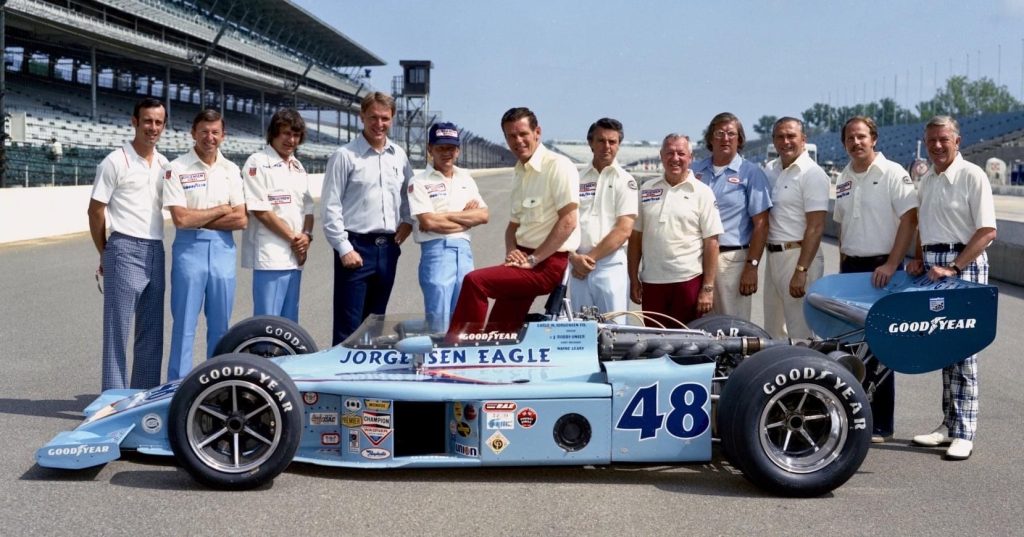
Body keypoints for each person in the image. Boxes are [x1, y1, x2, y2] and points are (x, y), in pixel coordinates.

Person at [445, 107, 579, 339]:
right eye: (510, 136)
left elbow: (568, 221)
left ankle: (459, 344)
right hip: (525, 260)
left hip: (547, 264)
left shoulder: (558, 166)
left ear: (537, 132)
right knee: (500, 330)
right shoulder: (520, 170)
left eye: (523, 134)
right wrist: (512, 252)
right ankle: (494, 359)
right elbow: (512, 226)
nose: (518, 141)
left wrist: (533, 259)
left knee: (475, 282)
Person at [908, 116, 997, 461]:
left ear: (957, 141)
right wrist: (918, 257)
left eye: (943, 139)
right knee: (944, 348)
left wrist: (955, 266)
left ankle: (965, 431)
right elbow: (924, 226)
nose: (937, 146)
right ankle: (948, 425)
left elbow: (987, 231)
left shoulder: (973, 175)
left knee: (964, 347)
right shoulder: (927, 178)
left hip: (963, 263)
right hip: (934, 263)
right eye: (931, 140)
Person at [833, 116, 918, 444]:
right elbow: (842, 227)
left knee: (881, 346)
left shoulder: (893, 173)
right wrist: (842, 267)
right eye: (850, 138)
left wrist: (893, 262)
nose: (856, 143)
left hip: (883, 268)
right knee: (850, 344)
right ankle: (853, 413)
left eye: (862, 137)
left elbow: (910, 220)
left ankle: (882, 424)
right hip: (852, 267)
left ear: (874, 138)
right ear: (845, 144)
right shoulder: (844, 176)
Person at [86, 97, 168, 391]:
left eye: (158, 122)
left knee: (152, 331)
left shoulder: (164, 164)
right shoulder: (115, 161)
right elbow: (95, 210)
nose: (152, 127)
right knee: (117, 331)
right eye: (147, 121)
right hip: (123, 247)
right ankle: (113, 397)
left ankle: (142, 394)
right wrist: (106, 251)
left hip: (155, 249)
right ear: (134, 122)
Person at [322, 92, 414, 345]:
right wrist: (343, 248)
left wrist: (408, 222)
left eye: (385, 118)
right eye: (373, 117)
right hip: (355, 246)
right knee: (348, 325)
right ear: (362, 116)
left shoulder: (399, 155)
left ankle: (365, 378)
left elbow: (410, 194)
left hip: (388, 248)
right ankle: (338, 383)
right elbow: (330, 206)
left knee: (375, 323)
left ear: (392, 119)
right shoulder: (345, 155)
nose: (379, 124)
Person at [163, 109, 247, 381]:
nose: (209, 138)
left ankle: (217, 387)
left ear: (223, 135)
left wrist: (200, 217)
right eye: (204, 132)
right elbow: (181, 219)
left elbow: (241, 219)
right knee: (184, 325)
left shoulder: (231, 169)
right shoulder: (177, 168)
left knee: (221, 326)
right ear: (193, 133)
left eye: (215, 132)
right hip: (190, 250)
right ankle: (176, 386)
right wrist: (221, 209)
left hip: (223, 249)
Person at [628, 134, 723, 326]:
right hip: (652, 282)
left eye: (681, 153)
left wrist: (707, 288)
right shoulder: (646, 190)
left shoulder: (702, 192)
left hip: (688, 280)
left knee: (687, 343)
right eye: (670, 153)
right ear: (661, 155)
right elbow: (635, 238)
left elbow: (711, 242)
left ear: (690, 157)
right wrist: (633, 278)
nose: (675, 158)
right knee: (655, 341)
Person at [691, 113, 772, 320]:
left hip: (731, 261)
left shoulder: (751, 173)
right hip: (693, 260)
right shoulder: (694, 171)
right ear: (710, 138)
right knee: (698, 325)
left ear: (740, 139)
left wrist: (751, 267)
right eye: (719, 133)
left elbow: (761, 224)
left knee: (732, 325)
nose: (725, 138)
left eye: (731, 133)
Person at [408, 122, 489, 332]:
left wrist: (446, 217)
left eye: (451, 148)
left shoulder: (466, 178)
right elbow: (428, 222)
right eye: (441, 148)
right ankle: (436, 364)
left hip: (464, 253)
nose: (447, 153)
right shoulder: (419, 182)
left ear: (458, 150)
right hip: (436, 252)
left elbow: (483, 215)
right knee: (439, 323)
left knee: (464, 320)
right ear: (430, 149)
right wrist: (464, 219)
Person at [241, 108, 314, 322]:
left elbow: (308, 209)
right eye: (285, 133)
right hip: (270, 256)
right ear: (273, 133)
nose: (291, 140)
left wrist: (307, 237)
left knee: (290, 324)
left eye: (296, 135)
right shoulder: (257, 162)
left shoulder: (298, 166)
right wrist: (295, 239)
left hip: (295, 257)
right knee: (268, 324)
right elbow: (261, 210)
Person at [762, 117, 829, 339]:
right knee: (773, 331)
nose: (786, 141)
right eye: (780, 137)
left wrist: (801, 271)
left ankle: (806, 373)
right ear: (773, 141)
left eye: (791, 136)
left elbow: (816, 226)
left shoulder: (812, 173)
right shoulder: (770, 170)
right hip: (773, 257)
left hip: (799, 257)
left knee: (800, 332)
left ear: (803, 139)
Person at [568, 118, 638, 323]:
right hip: (577, 264)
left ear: (618, 145)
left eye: (612, 141)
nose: (607, 146)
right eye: (601, 140)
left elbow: (624, 229)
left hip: (610, 265)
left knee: (614, 330)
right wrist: (574, 258)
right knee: (580, 331)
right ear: (590, 143)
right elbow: (563, 222)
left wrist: (589, 259)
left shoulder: (626, 181)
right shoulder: (575, 178)